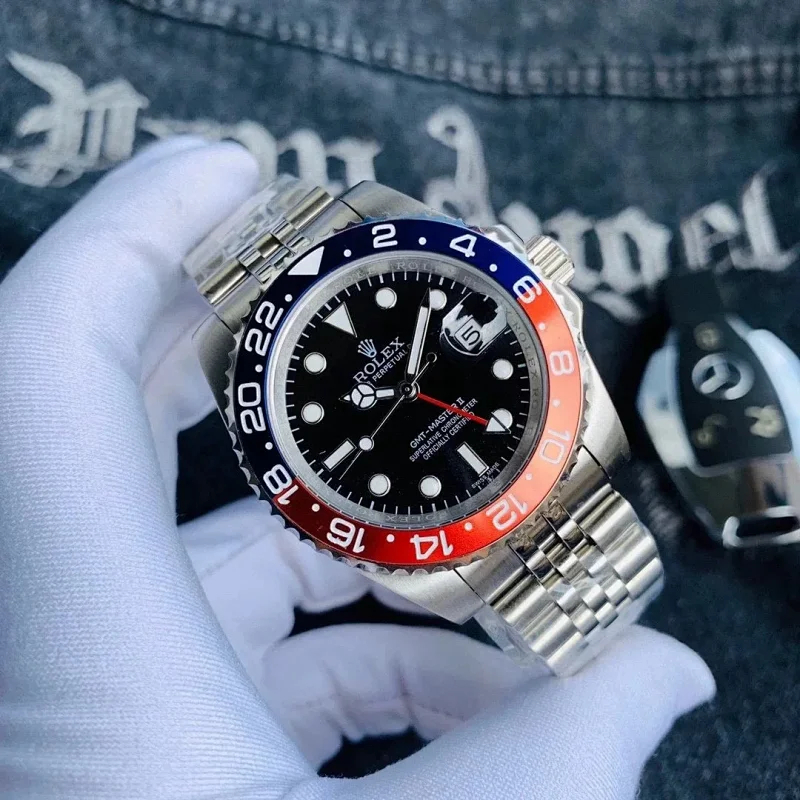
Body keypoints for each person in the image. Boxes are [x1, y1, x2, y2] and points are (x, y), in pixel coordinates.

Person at [0, 137, 714, 798]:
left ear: (540, 279)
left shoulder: (390, 234)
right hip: (459, 515)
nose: (404, 391)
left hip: (533, 472)